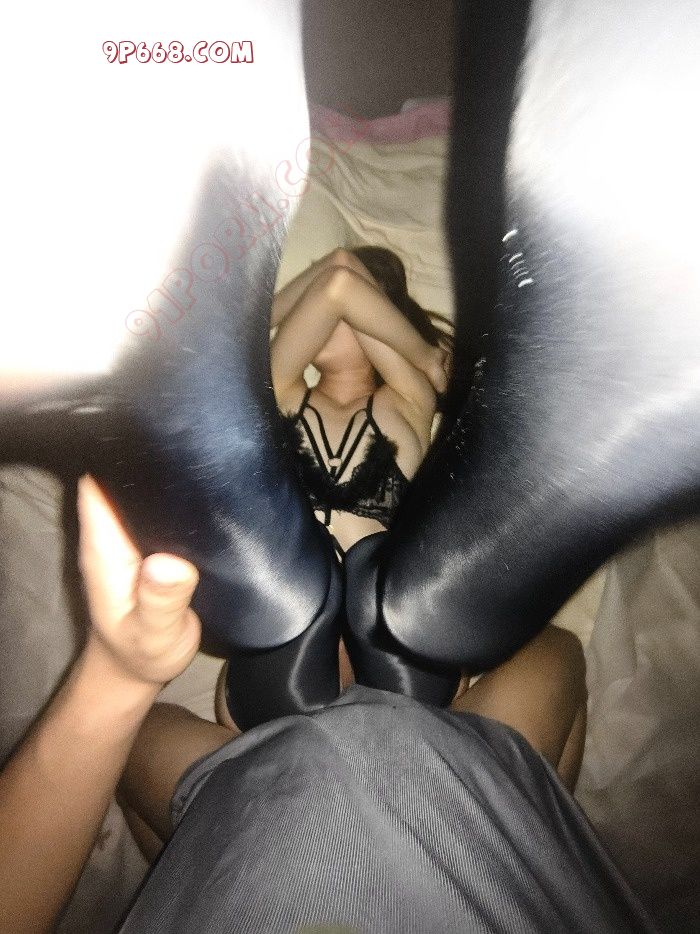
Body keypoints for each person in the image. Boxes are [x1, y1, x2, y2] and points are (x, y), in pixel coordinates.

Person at [0, 476, 632, 934]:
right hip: (465, 811)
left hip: (260, 821)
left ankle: (269, 747)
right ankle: (429, 734)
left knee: (138, 737)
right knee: (555, 655)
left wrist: (118, 676)